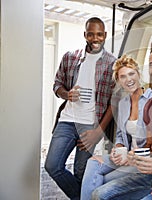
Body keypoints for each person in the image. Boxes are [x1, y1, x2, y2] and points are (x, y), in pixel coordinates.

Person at [91, 46, 152, 200]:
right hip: (150, 172)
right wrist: (134, 156)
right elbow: (149, 145)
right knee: (98, 194)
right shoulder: (150, 105)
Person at [44, 17, 116, 200]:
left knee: (81, 171)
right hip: (67, 121)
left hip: (90, 126)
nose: (95, 38)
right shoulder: (71, 57)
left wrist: (98, 132)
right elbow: (57, 84)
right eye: (91, 34)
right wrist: (66, 94)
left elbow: (114, 103)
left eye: (99, 34)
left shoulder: (112, 63)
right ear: (85, 35)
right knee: (52, 166)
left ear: (105, 35)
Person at [80, 55, 152, 200]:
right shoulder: (123, 103)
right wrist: (118, 149)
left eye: (131, 74)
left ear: (139, 75)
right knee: (93, 162)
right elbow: (121, 134)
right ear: (119, 81)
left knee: (102, 180)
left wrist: (131, 156)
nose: (128, 79)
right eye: (123, 76)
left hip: (143, 160)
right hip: (126, 156)